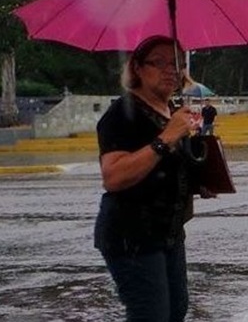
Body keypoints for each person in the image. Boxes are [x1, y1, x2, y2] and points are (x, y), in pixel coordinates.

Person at [94, 35, 214, 322]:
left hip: (169, 233)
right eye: (159, 62)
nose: (171, 70)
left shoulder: (172, 112)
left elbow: (166, 169)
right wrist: (166, 138)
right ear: (137, 68)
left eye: (178, 63)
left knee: (175, 312)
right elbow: (114, 177)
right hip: (132, 234)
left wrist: (200, 181)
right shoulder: (122, 113)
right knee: (152, 316)